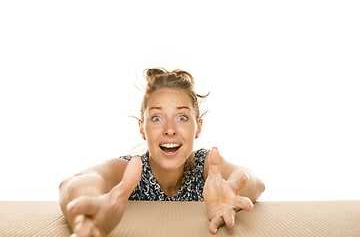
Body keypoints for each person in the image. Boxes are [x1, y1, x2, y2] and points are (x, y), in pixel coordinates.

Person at [59, 68, 265, 237]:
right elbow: (76, 183)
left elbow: (253, 182)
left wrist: (233, 191)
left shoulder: (207, 166)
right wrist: (91, 208)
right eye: (157, 118)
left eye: (182, 117)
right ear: (142, 128)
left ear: (199, 127)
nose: (169, 129)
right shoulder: (131, 170)